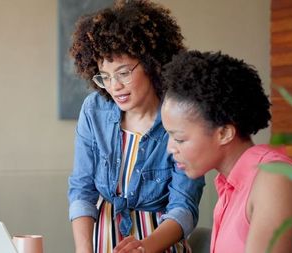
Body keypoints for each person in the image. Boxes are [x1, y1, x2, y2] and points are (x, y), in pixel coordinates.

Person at [67, 1, 205, 252]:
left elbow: (184, 205)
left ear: (152, 64)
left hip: (159, 246)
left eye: (123, 73)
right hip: (103, 243)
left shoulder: (181, 115)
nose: (114, 86)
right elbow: (81, 189)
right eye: (104, 76)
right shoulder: (94, 109)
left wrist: (143, 248)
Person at [160, 50, 292, 253]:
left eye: (179, 138)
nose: (170, 148)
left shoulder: (275, 179)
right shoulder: (228, 186)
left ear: (225, 133)